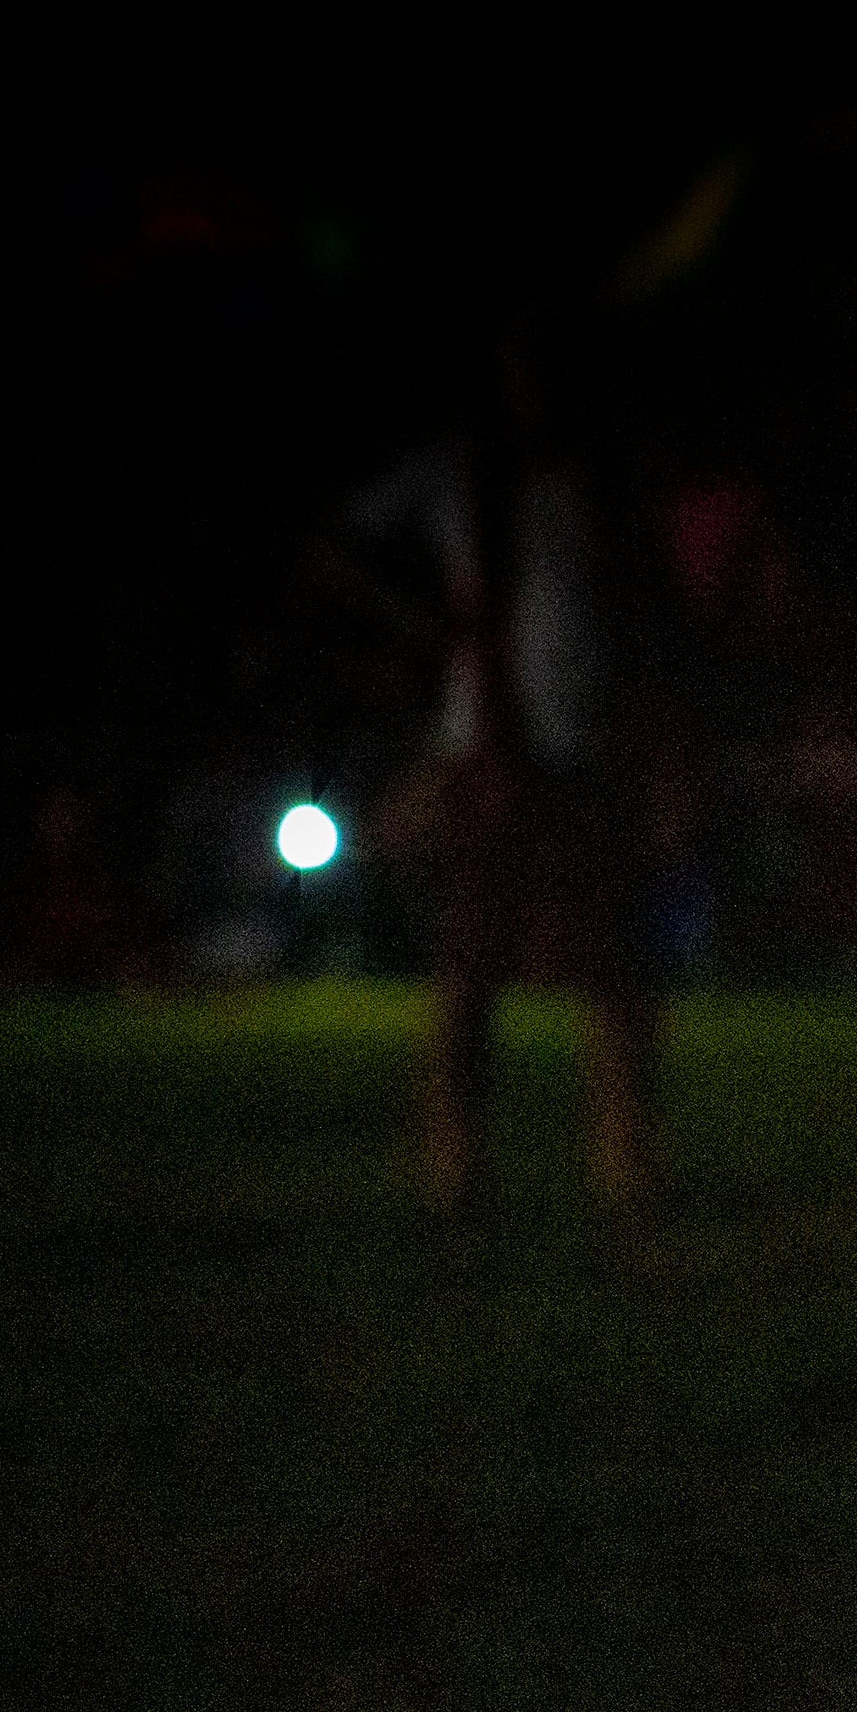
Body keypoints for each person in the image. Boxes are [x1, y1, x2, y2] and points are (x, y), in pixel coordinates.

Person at [343, 330, 659, 1212]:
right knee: (473, 963)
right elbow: (344, 540)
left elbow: (634, 609)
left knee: (613, 964)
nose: (536, 391)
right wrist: (415, 635)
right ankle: (457, 1165)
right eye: (521, 372)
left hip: (583, 748)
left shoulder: (596, 483)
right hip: (484, 749)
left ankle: (625, 1160)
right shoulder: (459, 478)